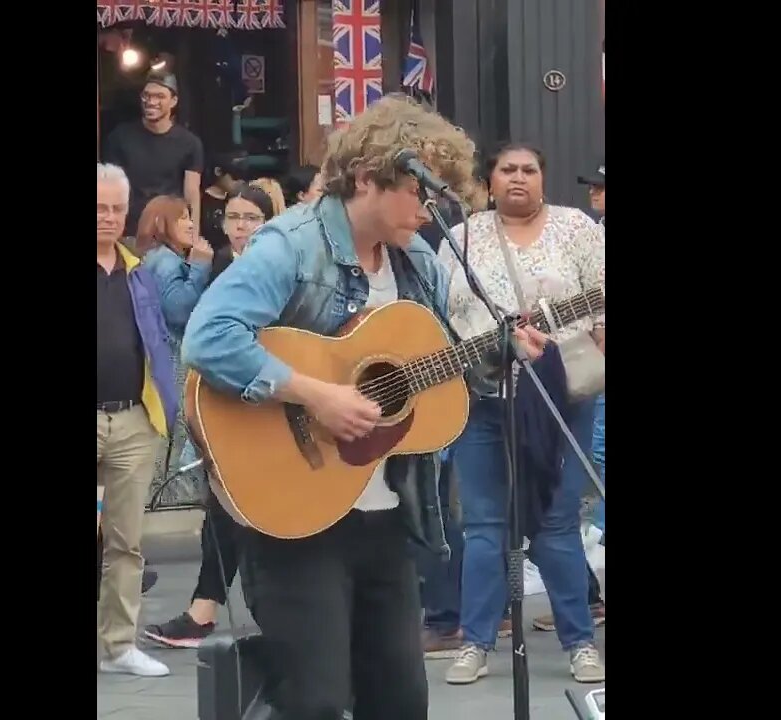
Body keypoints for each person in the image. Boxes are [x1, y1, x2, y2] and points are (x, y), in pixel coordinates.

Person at [180, 94, 549, 719]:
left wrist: (496, 353)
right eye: (417, 194)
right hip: (293, 513)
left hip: (386, 515)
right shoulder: (291, 247)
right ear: (369, 176)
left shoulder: (420, 264)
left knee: (401, 700)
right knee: (315, 700)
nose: (427, 213)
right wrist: (318, 394)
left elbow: (436, 373)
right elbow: (208, 337)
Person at [438, 142, 607, 685]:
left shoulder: (577, 228)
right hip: (482, 396)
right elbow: (442, 313)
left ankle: (579, 643)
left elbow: (602, 302)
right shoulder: (462, 237)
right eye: (507, 169)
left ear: (543, 178)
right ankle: (476, 643)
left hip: (561, 396)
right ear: (489, 180)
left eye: (528, 170)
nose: (518, 178)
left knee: (557, 524)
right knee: (486, 526)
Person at [142, 182, 278, 650]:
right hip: (227, 400)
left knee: (252, 509)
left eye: (251, 219)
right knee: (223, 505)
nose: (240, 228)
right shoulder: (220, 262)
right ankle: (205, 609)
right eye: (233, 218)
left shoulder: (284, 263)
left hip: (277, 399)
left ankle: (229, 608)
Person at [95, 163, 181, 677]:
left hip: (131, 419)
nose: (107, 217)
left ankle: (118, 645)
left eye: (115, 209)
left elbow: (158, 341)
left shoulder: (138, 270)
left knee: (127, 541)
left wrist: (164, 411)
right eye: (99, 208)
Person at [102, 73, 205, 237]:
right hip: (129, 232)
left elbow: (191, 194)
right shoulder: (120, 137)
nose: (151, 102)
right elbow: (110, 187)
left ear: (173, 101)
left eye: (160, 96)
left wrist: (194, 236)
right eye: (147, 95)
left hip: (171, 234)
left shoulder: (190, 143)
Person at [136, 195, 215, 342]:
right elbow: (178, 312)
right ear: (160, 222)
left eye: (190, 218)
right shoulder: (165, 260)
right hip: (172, 352)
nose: (191, 225)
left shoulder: (152, 256)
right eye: (183, 218)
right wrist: (200, 266)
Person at [202, 148, 250, 254]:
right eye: (234, 176)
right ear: (218, 171)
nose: (239, 181)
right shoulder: (201, 203)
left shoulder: (241, 201)